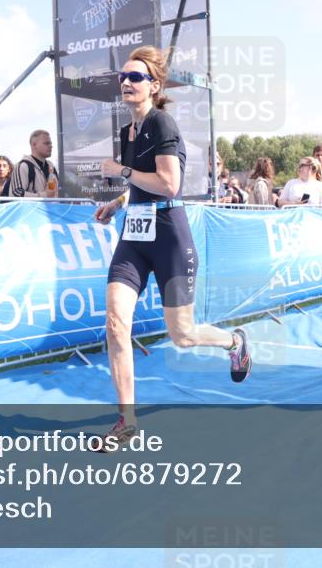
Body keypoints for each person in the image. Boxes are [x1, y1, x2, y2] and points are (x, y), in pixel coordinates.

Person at [94, 46, 252, 447]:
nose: (126, 83)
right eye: (123, 77)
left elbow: (168, 184)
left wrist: (122, 171)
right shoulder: (126, 131)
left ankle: (234, 342)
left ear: (154, 86)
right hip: (135, 235)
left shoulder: (162, 123)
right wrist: (116, 202)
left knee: (182, 334)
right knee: (115, 324)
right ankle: (127, 422)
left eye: (136, 77)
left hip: (169, 235)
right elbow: (139, 185)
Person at [11, 129, 59, 198]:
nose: (51, 146)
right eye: (46, 143)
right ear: (34, 145)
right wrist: (45, 196)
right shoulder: (23, 166)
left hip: (53, 208)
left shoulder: (51, 167)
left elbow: (58, 192)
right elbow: (16, 194)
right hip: (30, 209)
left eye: (51, 143)